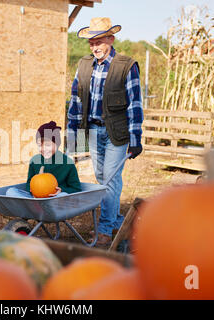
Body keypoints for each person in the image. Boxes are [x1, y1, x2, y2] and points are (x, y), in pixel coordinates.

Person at [67, 17, 144, 246]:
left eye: (99, 41)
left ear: (111, 38)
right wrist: (74, 134)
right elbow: (75, 101)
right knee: (102, 180)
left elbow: (135, 104)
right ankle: (119, 223)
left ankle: (104, 230)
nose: (95, 47)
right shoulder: (83, 65)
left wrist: (135, 137)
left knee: (110, 180)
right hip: (93, 131)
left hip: (116, 135)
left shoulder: (126, 65)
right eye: (91, 42)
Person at [6, 121, 82, 198]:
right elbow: (29, 183)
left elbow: (76, 189)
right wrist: (32, 189)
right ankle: (34, 205)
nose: (43, 149)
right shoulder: (34, 161)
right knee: (11, 191)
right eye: (39, 145)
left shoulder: (68, 163)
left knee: (63, 196)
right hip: (36, 197)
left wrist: (61, 190)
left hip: (55, 198)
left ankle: (42, 207)